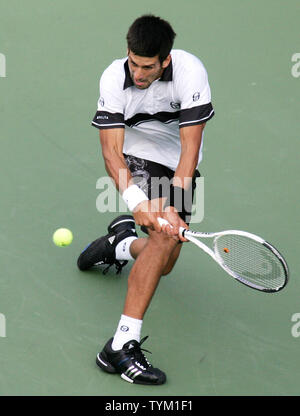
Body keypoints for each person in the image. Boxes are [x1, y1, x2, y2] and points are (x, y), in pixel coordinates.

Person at [77, 14, 214, 385]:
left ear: (165, 60)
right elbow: (111, 154)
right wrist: (139, 202)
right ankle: (121, 346)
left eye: (148, 66)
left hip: (177, 162)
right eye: (134, 63)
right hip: (137, 154)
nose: (138, 73)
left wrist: (175, 200)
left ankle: (122, 244)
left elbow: (191, 147)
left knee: (164, 260)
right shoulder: (113, 78)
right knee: (164, 236)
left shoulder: (189, 72)